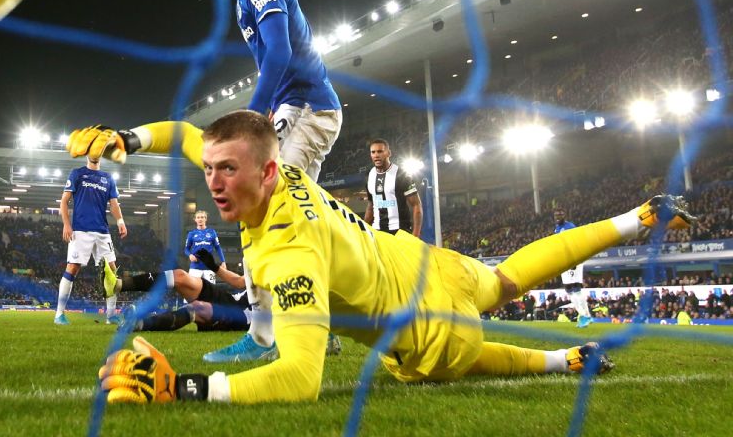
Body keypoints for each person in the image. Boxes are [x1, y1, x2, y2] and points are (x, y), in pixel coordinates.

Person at [72, 114, 695, 404]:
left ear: (264, 172)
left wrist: (183, 391)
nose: (211, 181)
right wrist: (127, 139)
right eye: (209, 169)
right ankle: (637, 218)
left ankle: (559, 361)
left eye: (225, 171)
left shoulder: (293, 254)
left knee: (470, 355)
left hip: (422, 322)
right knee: (505, 278)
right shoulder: (273, 172)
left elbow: (299, 381)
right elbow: (187, 134)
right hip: (418, 258)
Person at [203, 0, 344, 361]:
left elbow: (280, 54)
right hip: (301, 106)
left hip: (305, 106)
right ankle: (322, 323)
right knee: (296, 218)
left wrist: (253, 118)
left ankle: (264, 335)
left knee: (263, 206)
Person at [55, 155, 126, 325]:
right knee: (72, 268)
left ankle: (110, 315)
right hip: (80, 230)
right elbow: (64, 201)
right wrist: (66, 224)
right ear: (87, 154)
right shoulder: (77, 174)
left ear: (101, 154)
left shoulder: (108, 178)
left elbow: (114, 204)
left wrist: (121, 221)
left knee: (112, 271)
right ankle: (59, 315)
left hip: (102, 231)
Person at [108, 256, 249, 334]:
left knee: (196, 308)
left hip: (242, 317)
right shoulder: (263, 256)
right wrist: (214, 266)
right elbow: (240, 282)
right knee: (180, 276)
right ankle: (118, 285)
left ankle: (137, 324)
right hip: (231, 300)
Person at [363, 139, 423, 239]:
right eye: (373, 152)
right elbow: (371, 205)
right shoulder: (369, 175)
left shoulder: (401, 174)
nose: (376, 155)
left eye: (380, 151)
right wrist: (364, 229)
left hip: (400, 231)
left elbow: (416, 205)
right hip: (378, 232)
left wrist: (415, 236)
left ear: (388, 153)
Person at [553, 207, 592, 328]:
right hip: (565, 260)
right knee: (570, 289)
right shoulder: (557, 229)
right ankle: (586, 316)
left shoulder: (570, 226)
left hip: (573, 258)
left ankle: (585, 316)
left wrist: (574, 259)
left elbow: (576, 241)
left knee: (574, 287)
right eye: (556, 215)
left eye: (560, 215)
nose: (558, 217)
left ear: (564, 216)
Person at [184, 211, 225, 285]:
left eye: (202, 217)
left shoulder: (212, 232)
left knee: (211, 292)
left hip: (209, 267)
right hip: (195, 267)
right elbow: (186, 249)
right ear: (195, 219)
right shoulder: (191, 234)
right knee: (192, 289)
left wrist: (223, 261)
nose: (200, 219)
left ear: (205, 219)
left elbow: (218, 247)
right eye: (198, 217)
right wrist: (190, 255)